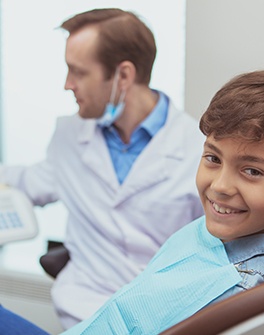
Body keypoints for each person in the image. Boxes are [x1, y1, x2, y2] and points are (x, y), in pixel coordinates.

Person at [0, 66, 264, 334]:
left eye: (252, 171)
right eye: (213, 158)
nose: (220, 186)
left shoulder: (237, 289)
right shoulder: (213, 235)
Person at [0, 8, 204, 329]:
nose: (68, 85)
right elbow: (29, 181)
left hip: (159, 322)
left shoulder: (199, 150)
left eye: (78, 72)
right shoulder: (70, 136)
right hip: (83, 315)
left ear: (123, 75)